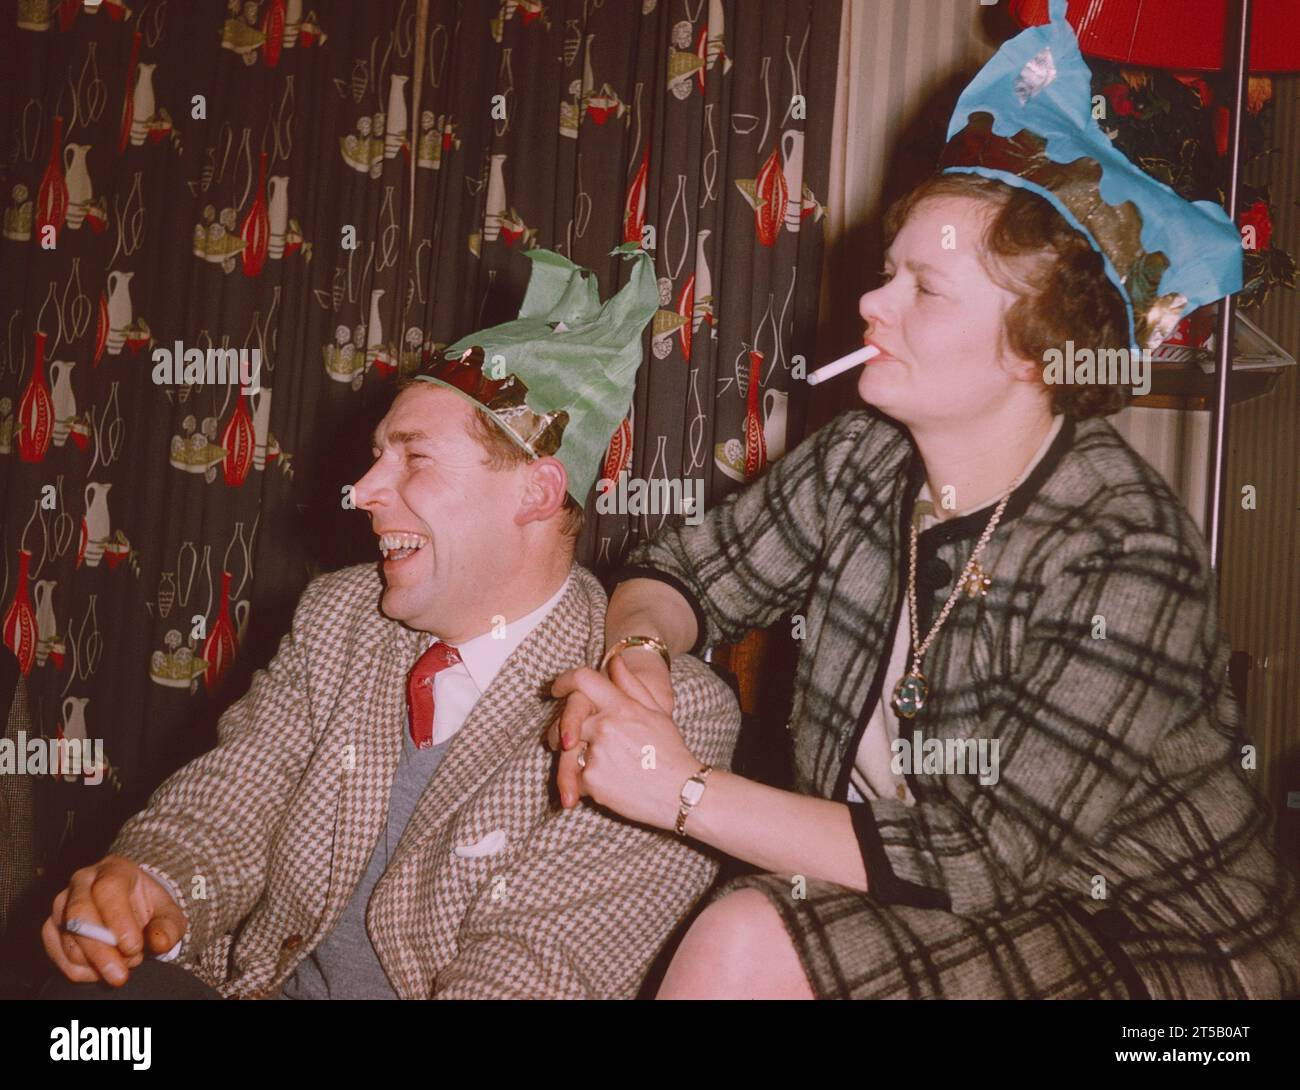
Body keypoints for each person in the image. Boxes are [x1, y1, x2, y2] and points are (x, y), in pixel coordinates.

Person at [549, 2, 1300, 999]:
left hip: (1165, 965)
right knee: (750, 934)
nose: (871, 302)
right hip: (966, 909)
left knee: (748, 937)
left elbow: (977, 858)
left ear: (1035, 349)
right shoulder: (864, 457)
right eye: (887, 271)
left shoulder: (1125, 548)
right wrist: (640, 651)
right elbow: (679, 572)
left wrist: (680, 792)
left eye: (924, 288)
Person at [39, 245, 740, 1000]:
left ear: (537, 494)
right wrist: (146, 881)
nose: (364, 490)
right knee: (76, 1023)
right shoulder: (341, 617)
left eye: (414, 460)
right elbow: (233, 800)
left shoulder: (662, 713)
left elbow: (537, 972)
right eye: (377, 457)